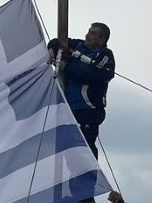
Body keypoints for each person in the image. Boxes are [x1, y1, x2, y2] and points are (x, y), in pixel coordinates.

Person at [46, 23, 115, 157]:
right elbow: (58, 42)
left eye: (93, 34)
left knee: (85, 151)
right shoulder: (78, 45)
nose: (88, 35)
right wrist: (51, 49)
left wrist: (66, 66)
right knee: (66, 151)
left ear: (102, 39)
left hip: (88, 112)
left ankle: (89, 176)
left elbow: (90, 74)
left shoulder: (105, 56)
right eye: (89, 32)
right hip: (68, 109)